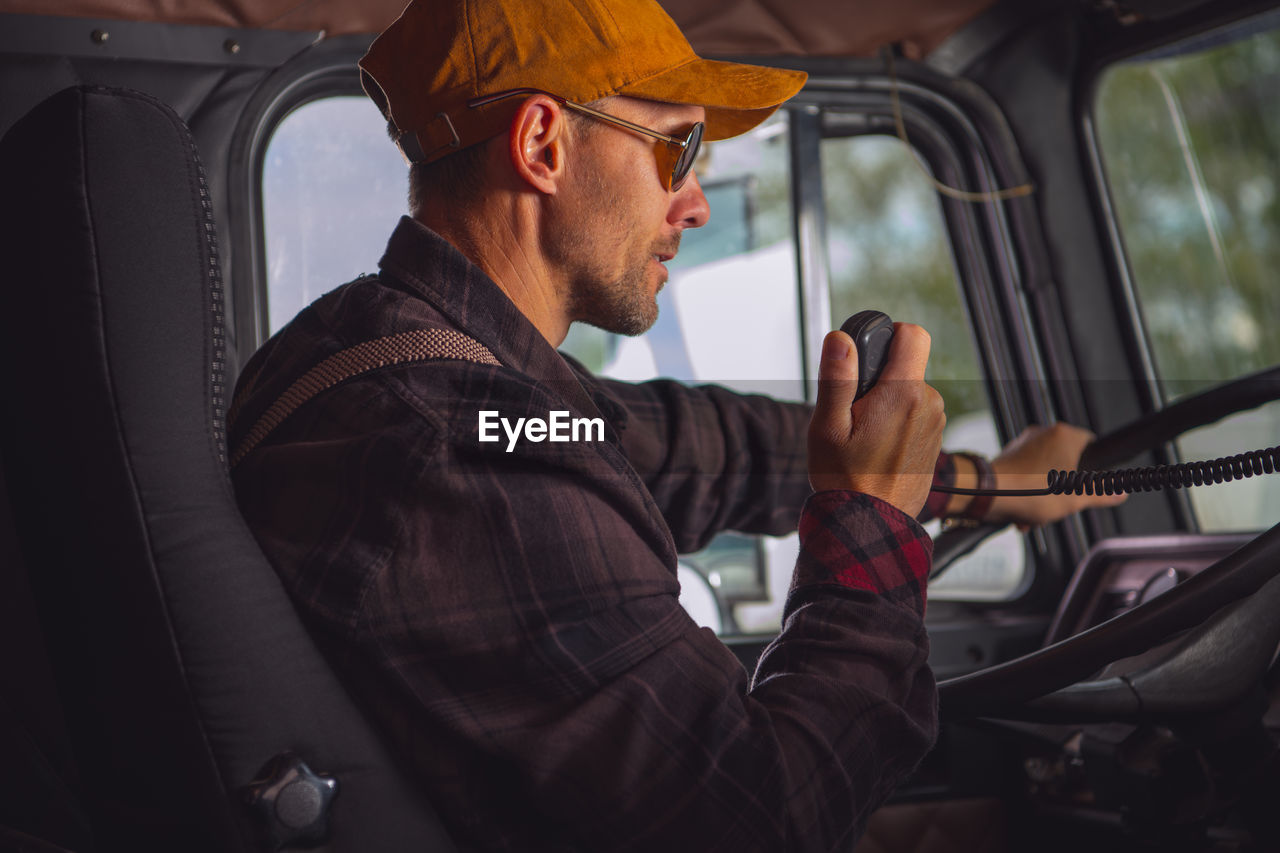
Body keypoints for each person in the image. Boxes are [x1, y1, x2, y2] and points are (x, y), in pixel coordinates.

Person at [228, 0, 1122, 848]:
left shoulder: (391, 351)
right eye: (676, 148)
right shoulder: (456, 452)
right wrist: (872, 528)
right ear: (542, 145)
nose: (693, 203)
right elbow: (765, 822)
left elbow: (686, 448)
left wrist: (990, 483)